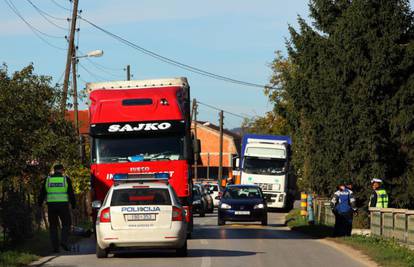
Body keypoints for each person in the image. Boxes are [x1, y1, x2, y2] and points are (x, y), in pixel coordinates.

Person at [38, 164, 76, 253]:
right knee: (66, 224)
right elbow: (71, 193)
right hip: (63, 206)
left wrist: (39, 203)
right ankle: (63, 241)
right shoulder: (65, 179)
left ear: (54, 170)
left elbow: (42, 192)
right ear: (62, 170)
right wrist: (73, 205)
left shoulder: (47, 180)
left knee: (53, 227)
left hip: (51, 206)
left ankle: (55, 248)